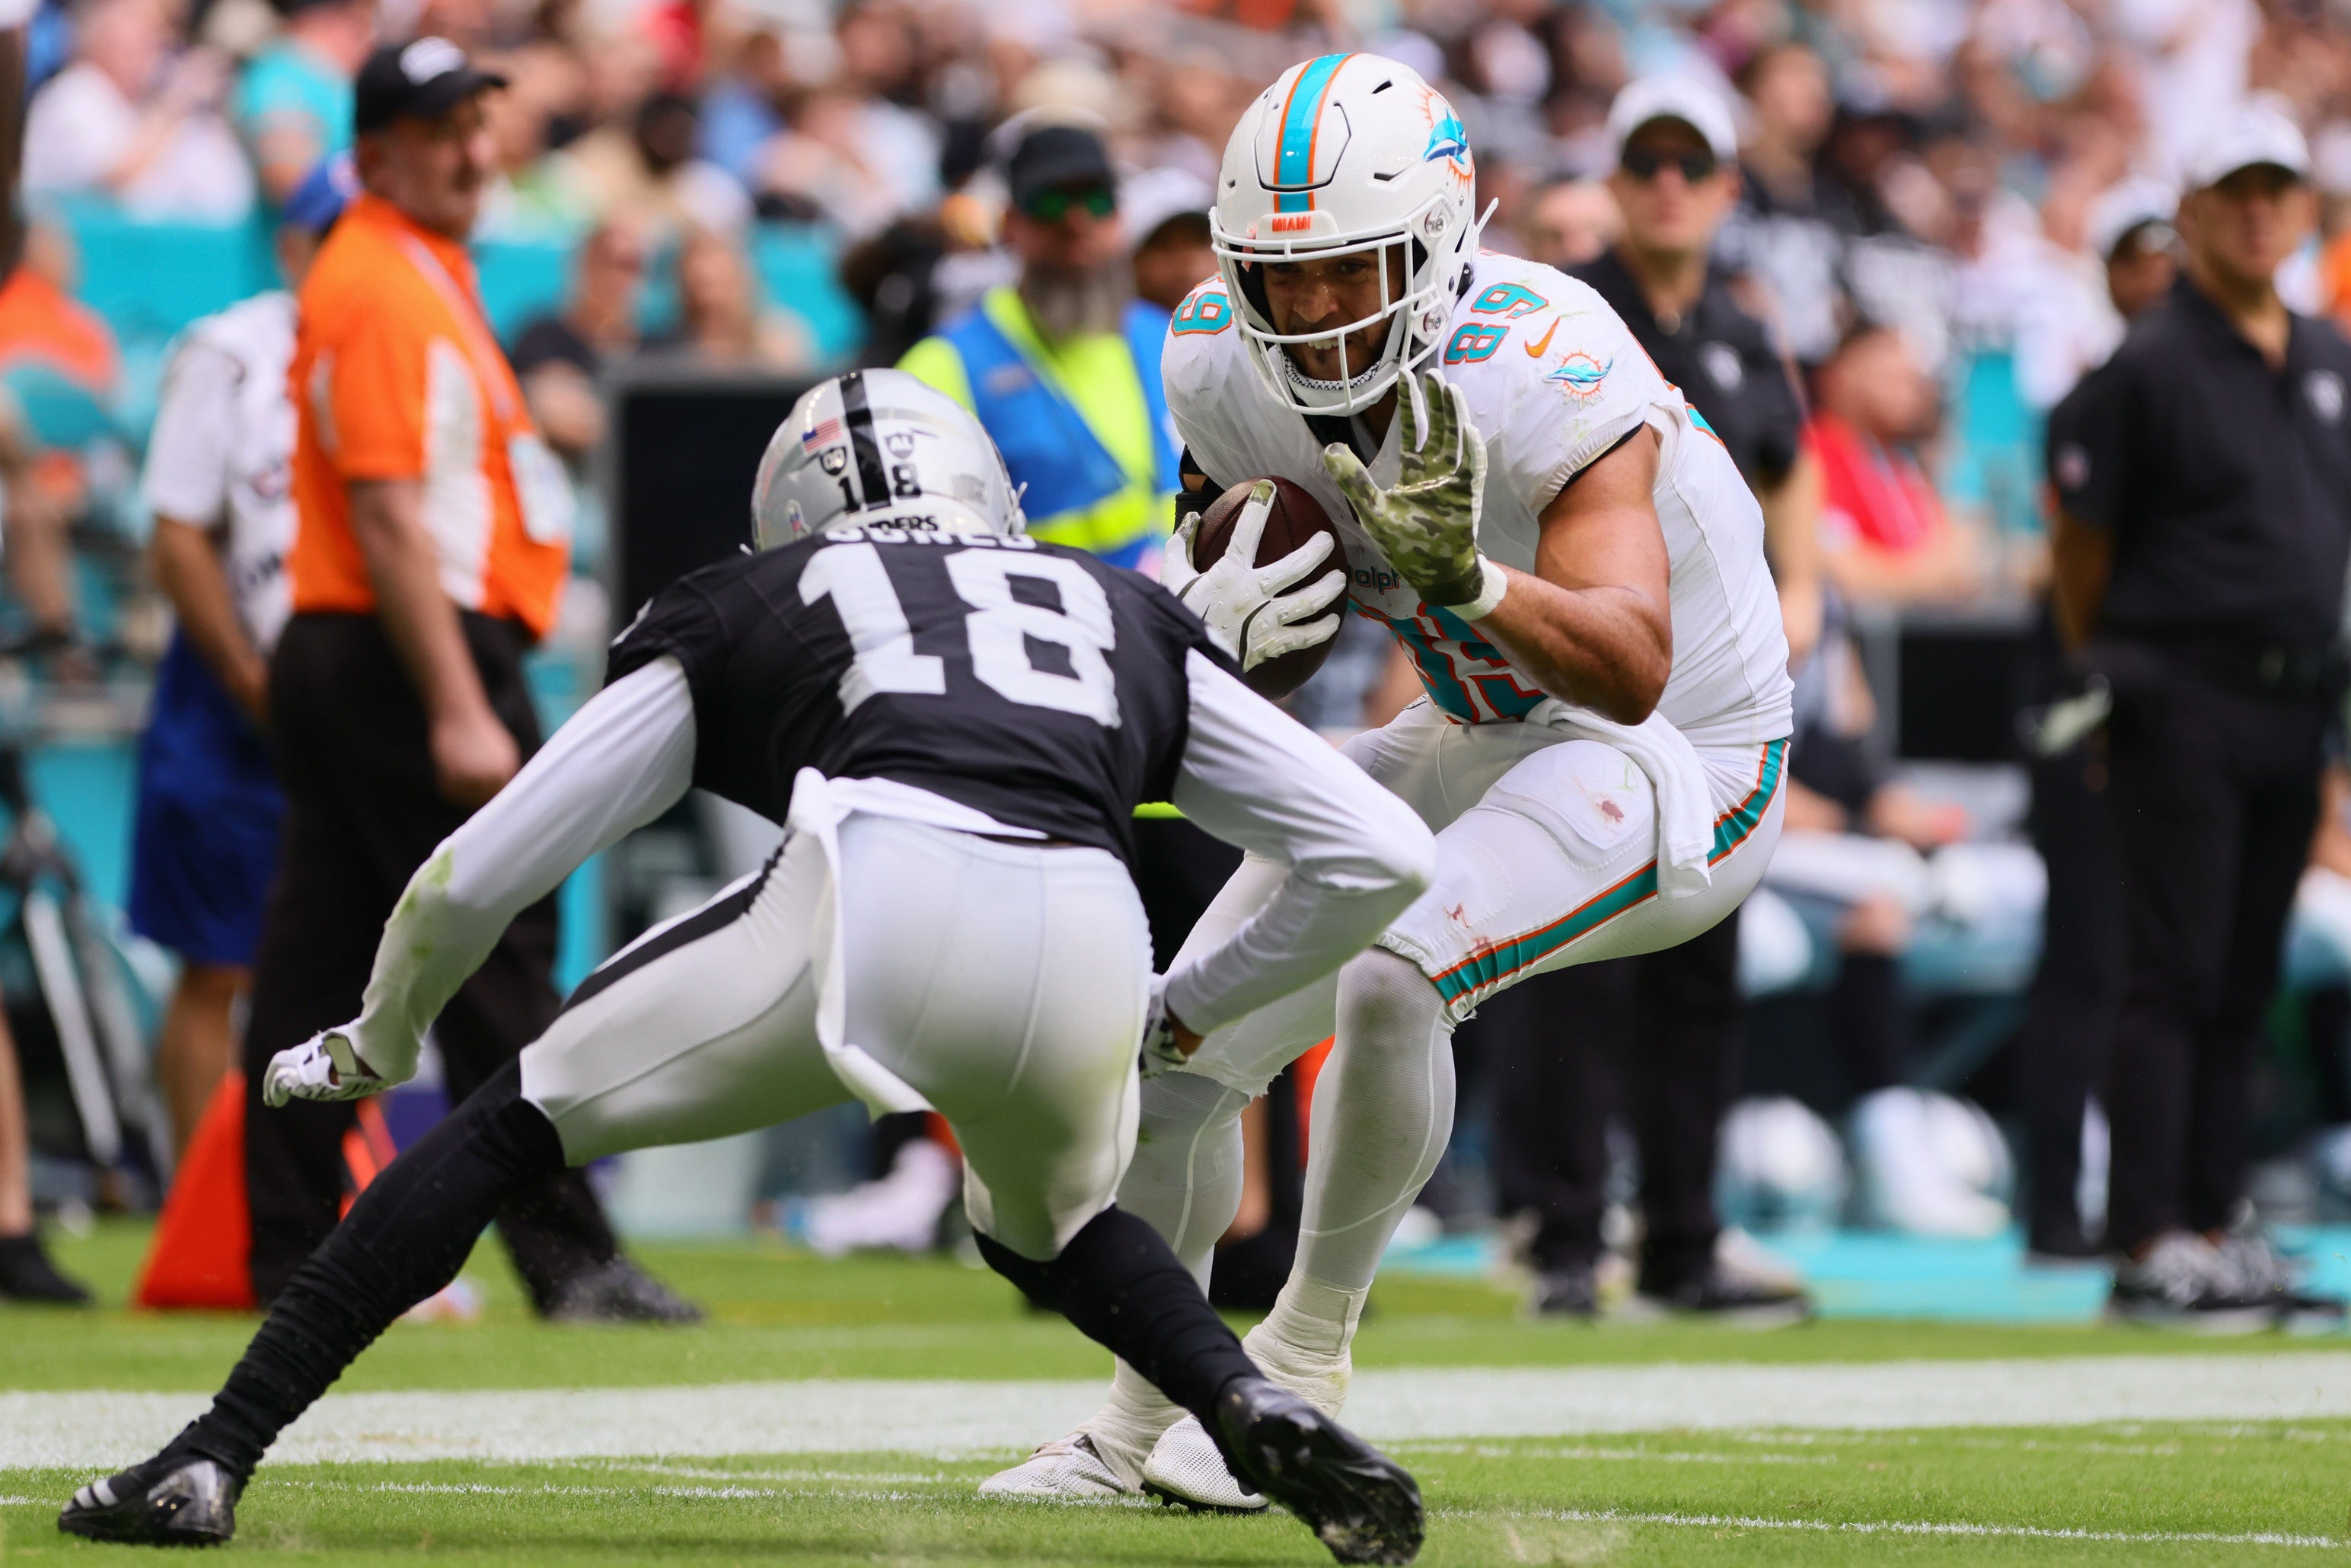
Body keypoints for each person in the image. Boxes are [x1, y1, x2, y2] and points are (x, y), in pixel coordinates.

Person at [59, 372, 1434, 1566]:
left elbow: (473, 872)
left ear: (792, 514)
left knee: (510, 1119)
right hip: (1088, 923)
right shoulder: (1113, 606)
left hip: (877, 889)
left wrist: (384, 1031)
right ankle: (1243, 1402)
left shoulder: (756, 596)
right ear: (984, 490)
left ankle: (211, 1453)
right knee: (1054, 1230)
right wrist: (1188, 1007)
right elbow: (1379, 854)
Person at [992, 52, 1791, 1509]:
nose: (1305, 314)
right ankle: (1134, 1427)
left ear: (1434, 248)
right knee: (1174, 1051)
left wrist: (1466, 574)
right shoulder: (1214, 358)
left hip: (1680, 750)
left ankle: (1300, 1375)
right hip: (1472, 722)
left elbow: (1622, 665)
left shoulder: (1546, 351)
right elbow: (1259, 607)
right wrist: (1216, 626)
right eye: (1275, 280)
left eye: (1345, 273)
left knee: (1396, 971)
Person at [244, 37, 687, 1322]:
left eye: (480, 123)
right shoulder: (383, 276)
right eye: (440, 128)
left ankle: (281, 1252)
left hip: (364, 639)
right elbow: (388, 507)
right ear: (373, 153)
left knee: (320, 960)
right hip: (406, 641)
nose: (470, 149)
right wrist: (451, 696)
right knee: (492, 937)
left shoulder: (408, 267)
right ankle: (569, 1260)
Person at [1479, 75, 1819, 1321]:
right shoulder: (1572, 313)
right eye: (1647, 162)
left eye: (1691, 163)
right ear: (1616, 180)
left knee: (1697, 967)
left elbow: (1790, 467)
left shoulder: (1741, 327)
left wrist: (1804, 595)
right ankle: (1557, 1236)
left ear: (1726, 187)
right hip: (1589, 689)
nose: (1668, 183)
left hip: (1711, 705)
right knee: (1570, 958)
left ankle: (1680, 1236)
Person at [2049, 100, 2351, 1328]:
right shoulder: (2147, 366)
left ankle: (2213, 1222)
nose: (2254, 208)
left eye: (2273, 187)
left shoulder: (2326, 356)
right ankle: (2148, 1237)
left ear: (2300, 206)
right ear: (2187, 208)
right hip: (2178, 692)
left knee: (2238, 976)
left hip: (2294, 704)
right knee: (2169, 971)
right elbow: (2079, 553)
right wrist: (2116, 677)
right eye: (2232, 188)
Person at [130, 158, 350, 1158]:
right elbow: (177, 535)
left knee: (339, 966)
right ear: (294, 244)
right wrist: (253, 686)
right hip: (231, 706)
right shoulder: (233, 351)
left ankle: (317, 1202)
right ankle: (199, 1201)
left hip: (342, 696)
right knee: (218, 965)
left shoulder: (390, 342)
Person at [2013, 179, 2177, 1261]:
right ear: (2110, 276)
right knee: (2087, 958)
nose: (2157, 276)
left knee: (2164, 962)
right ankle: (2057, 1207)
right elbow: (2080, 580)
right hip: (2085, 709)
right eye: (2137, 257)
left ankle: (2156, 1205)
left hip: (2171, 711)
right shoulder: (2096, 402)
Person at [898, 121, 1174, 572]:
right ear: (1010, 224)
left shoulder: (1169, 338)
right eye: (1050, 201)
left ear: (1122, 216)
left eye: (1096, 198)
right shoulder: (942, 368)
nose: (1077, 220)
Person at [21, 0, 253, 221]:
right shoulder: (75, 92)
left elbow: (224, 197)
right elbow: (114, 182)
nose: (153, 44)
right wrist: (175, 104)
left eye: (156, 33)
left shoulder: (142, 107)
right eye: (137, 30)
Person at [232, 0, 374, 208]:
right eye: (362, 21)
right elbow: (290, 181)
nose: (370, 36)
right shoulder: (281, 78)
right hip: (299, 237)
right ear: (331, 18)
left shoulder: (330, 77)